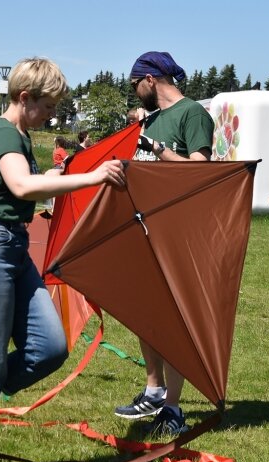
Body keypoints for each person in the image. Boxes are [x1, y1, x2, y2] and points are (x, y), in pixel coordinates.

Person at [0, 57, 125, 462]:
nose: (52, 115)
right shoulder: (4, 131)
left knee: (50, 346)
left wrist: (64, 175)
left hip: (12, 248)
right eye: (47, 106)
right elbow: (23, 186)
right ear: (24, 98)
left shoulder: (19, 135)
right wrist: (93, 178)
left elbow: (24, 188)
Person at [112, 52, 214, 438]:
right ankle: (154, 390)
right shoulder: (154, 117)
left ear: (151, 79)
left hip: (177, 230)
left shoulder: (193, 114)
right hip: (143, 226)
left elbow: (202, 169)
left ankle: (172, 407)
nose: (134, 91)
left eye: (135, 83)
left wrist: (156, 149)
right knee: (145, 312)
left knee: (172, 317)